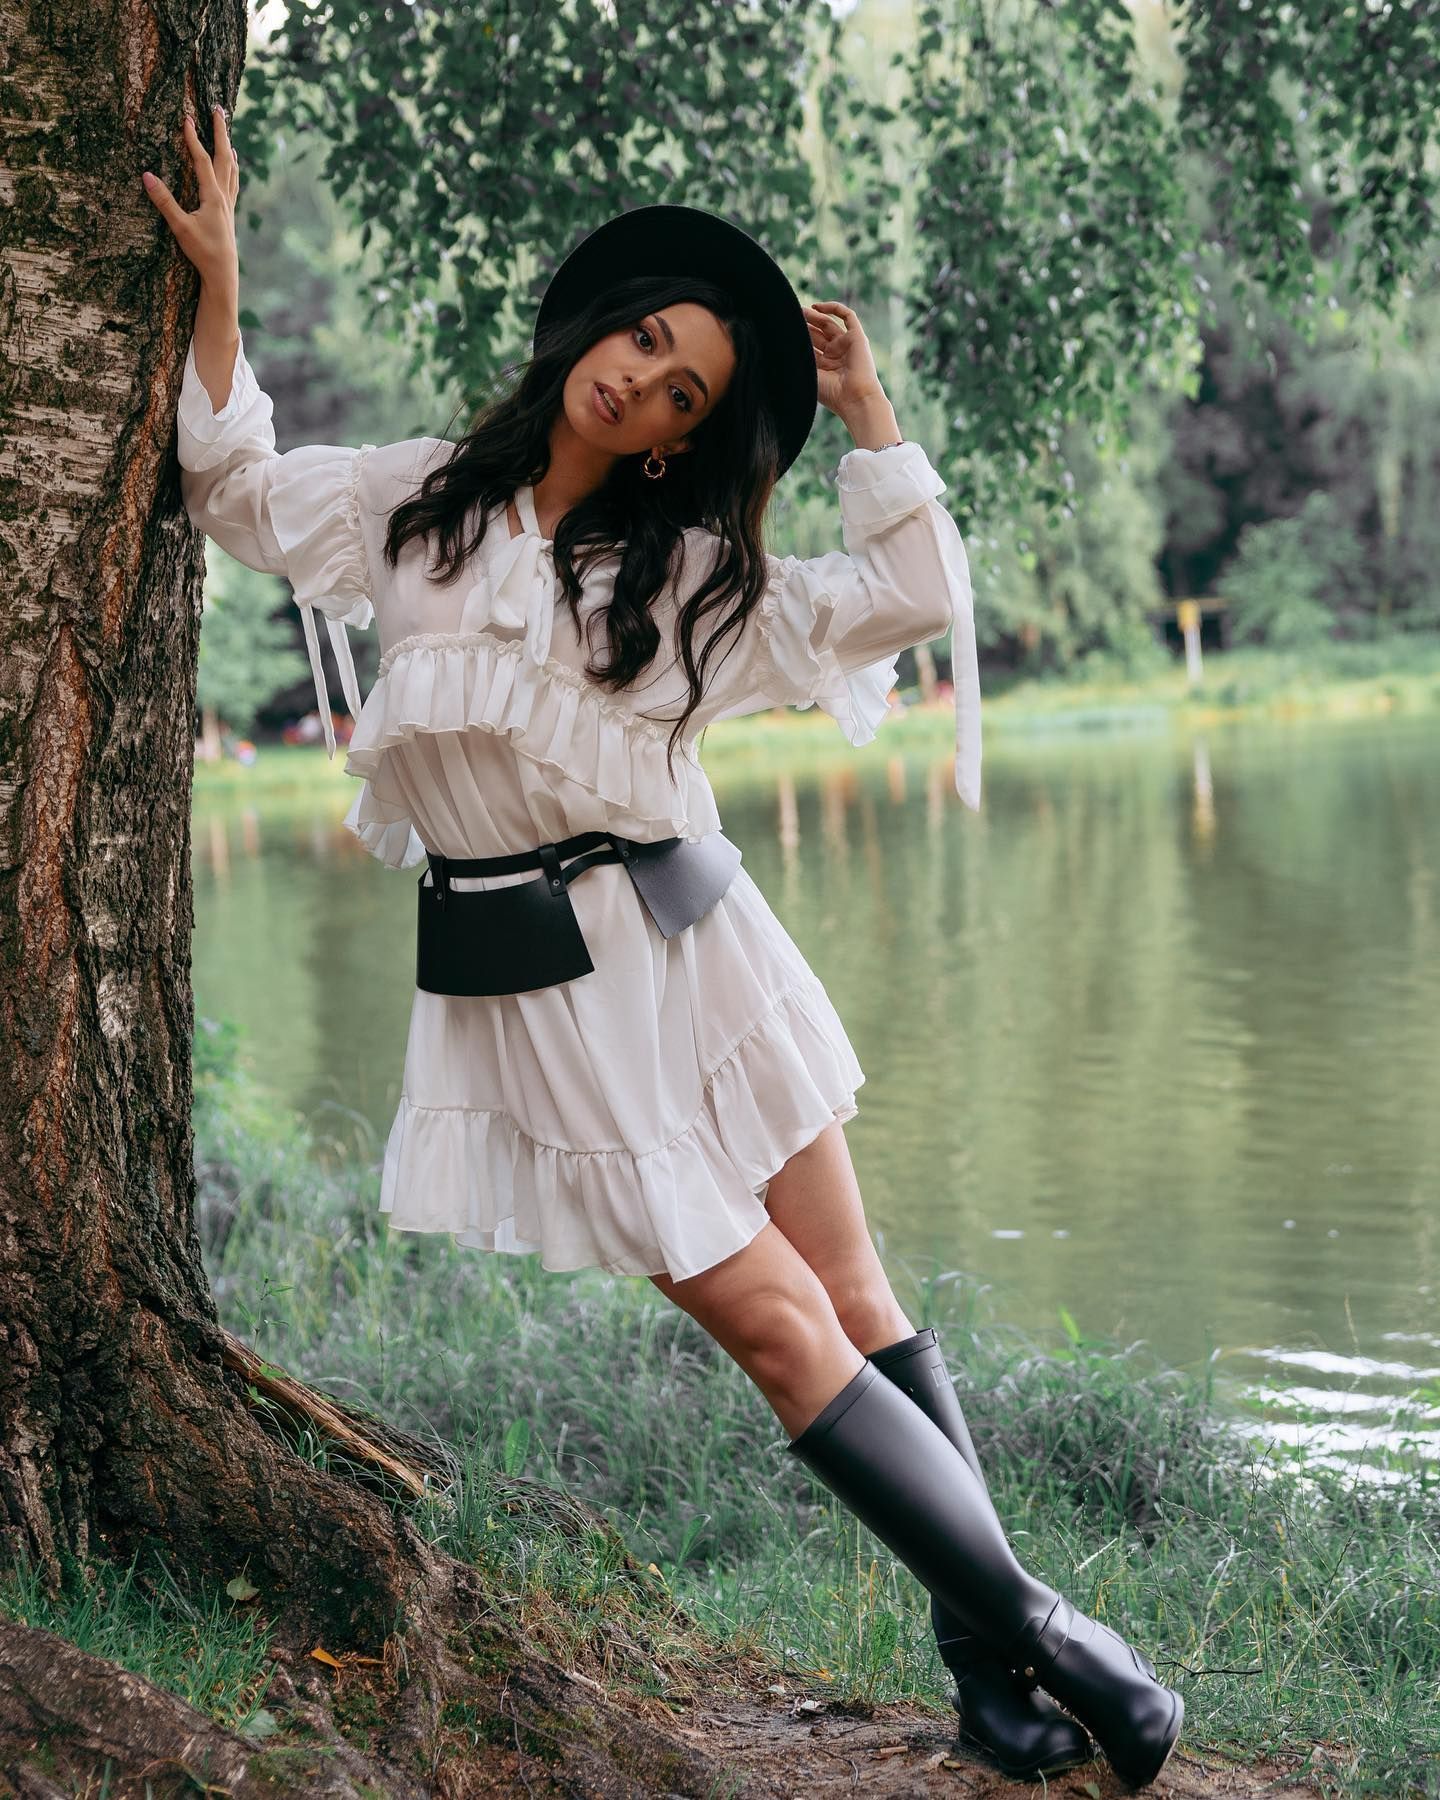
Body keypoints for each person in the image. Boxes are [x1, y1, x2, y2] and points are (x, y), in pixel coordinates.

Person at [144, 104, 1182, 1786]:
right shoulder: (413, 506)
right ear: (593, 333)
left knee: (849, 1295)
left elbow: (911, 597)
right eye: (643, 344)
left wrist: (866, 412)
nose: (644, 384)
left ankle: (1001, 1680)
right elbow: (234, 488)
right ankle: (1062, 1641)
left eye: (686, 391)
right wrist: (220, 288)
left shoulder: (689, 579)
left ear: (679, 442)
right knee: (776, 1327)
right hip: (543, 986)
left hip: (694, 942)